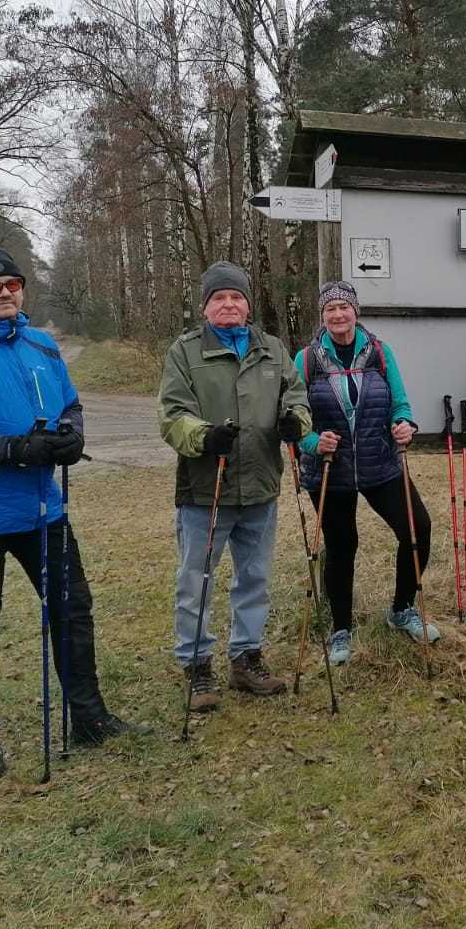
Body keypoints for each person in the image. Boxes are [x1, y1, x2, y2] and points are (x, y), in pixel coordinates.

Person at [0, 245, 144, 782]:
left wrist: (72, 437)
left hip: (44, 508)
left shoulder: (43, 345)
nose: (5, 294)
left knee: (73, 609)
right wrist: (14, 449)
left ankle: (88, 717)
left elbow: (71, 405)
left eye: (13, 285)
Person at [159, 262, 312, 712]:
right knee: (196, 580)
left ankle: (247, 657)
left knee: (255, 579)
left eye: (236, 297)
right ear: (206, 307)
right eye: (219, 298)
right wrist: (204, 436)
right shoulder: (184, 352)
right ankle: (196, 665)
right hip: (205, 489)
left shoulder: (273, 349)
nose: (229, 305)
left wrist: (295, 422)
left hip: (261, 486)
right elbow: (172, 415)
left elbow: (296, 396)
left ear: (247, 304)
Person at [292, 280, 433, 665]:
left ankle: (402, 608)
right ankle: (340, 629)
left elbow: (400, 403)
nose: (338, 315)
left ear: (356, 311)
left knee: (418, 528)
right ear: (322, 316)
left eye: (344, 307)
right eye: (330, 309)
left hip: (379, 461)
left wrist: (404, 424)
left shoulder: (380, 353)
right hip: (329, 469)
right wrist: (312, 443)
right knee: (342, 547)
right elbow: (292, 418)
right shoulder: (306, 360)